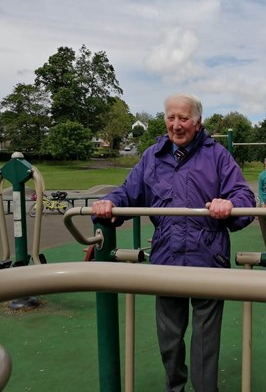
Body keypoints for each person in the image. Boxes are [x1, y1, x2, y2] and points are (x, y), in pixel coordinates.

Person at [91, 93, 256, 392]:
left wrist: (228, 204)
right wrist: (108, 203)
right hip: (167, 256)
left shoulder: (217, 155)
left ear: (198, 122)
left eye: (183, 118)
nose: (176, 125)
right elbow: (127, 192)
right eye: (171, 117)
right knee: (169, 338)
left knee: (206, 340)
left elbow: (244, 197)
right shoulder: (152, 156)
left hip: (208, 256)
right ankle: (174, 387)